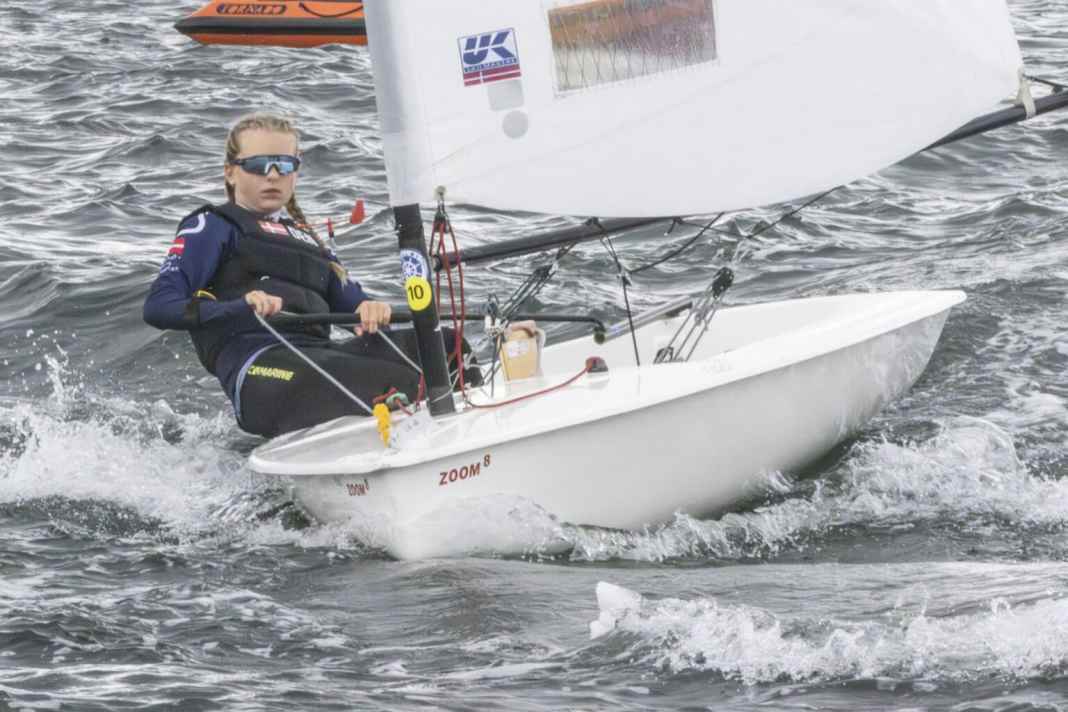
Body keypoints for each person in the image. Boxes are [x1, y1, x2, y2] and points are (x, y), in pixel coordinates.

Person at [144, 113, 465, 437]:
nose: (272, 176)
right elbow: (159, 305)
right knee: (388, 381)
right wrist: (239, 306)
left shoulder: (310, 241)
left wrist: (369, 309)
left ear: (295, 171)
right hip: (259, 371)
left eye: (283, 165)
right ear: (230, 172)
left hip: (321, 357)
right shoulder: (212, 227)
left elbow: (354, 302)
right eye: (257, 165)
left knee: (447, 347)